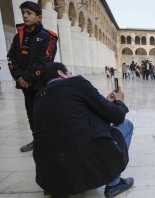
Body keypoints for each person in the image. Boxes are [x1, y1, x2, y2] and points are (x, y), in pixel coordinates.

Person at [33, 62, 134, 197]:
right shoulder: (76, 83)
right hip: (83, 167)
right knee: (126, 125)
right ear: (61, 73)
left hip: (49, 180)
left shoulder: (39, 97)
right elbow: (117, 117)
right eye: (69, 73)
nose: (71, 75)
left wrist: (104, 102)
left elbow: (74, 116)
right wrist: (120, 102)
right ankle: (114, 183)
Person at [7, 1, 58, 152]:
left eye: (29, 13)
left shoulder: (47, 37)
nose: (25, 16)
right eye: (23, 13)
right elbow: (11, 58)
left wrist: (28, 78)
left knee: (44, 113)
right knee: (31, 114)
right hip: (25, 85)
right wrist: (19, 77)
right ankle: (38, 140)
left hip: (40, 83)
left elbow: (44, 61)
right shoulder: (19, 37)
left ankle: (50, 141)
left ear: (39, 17)